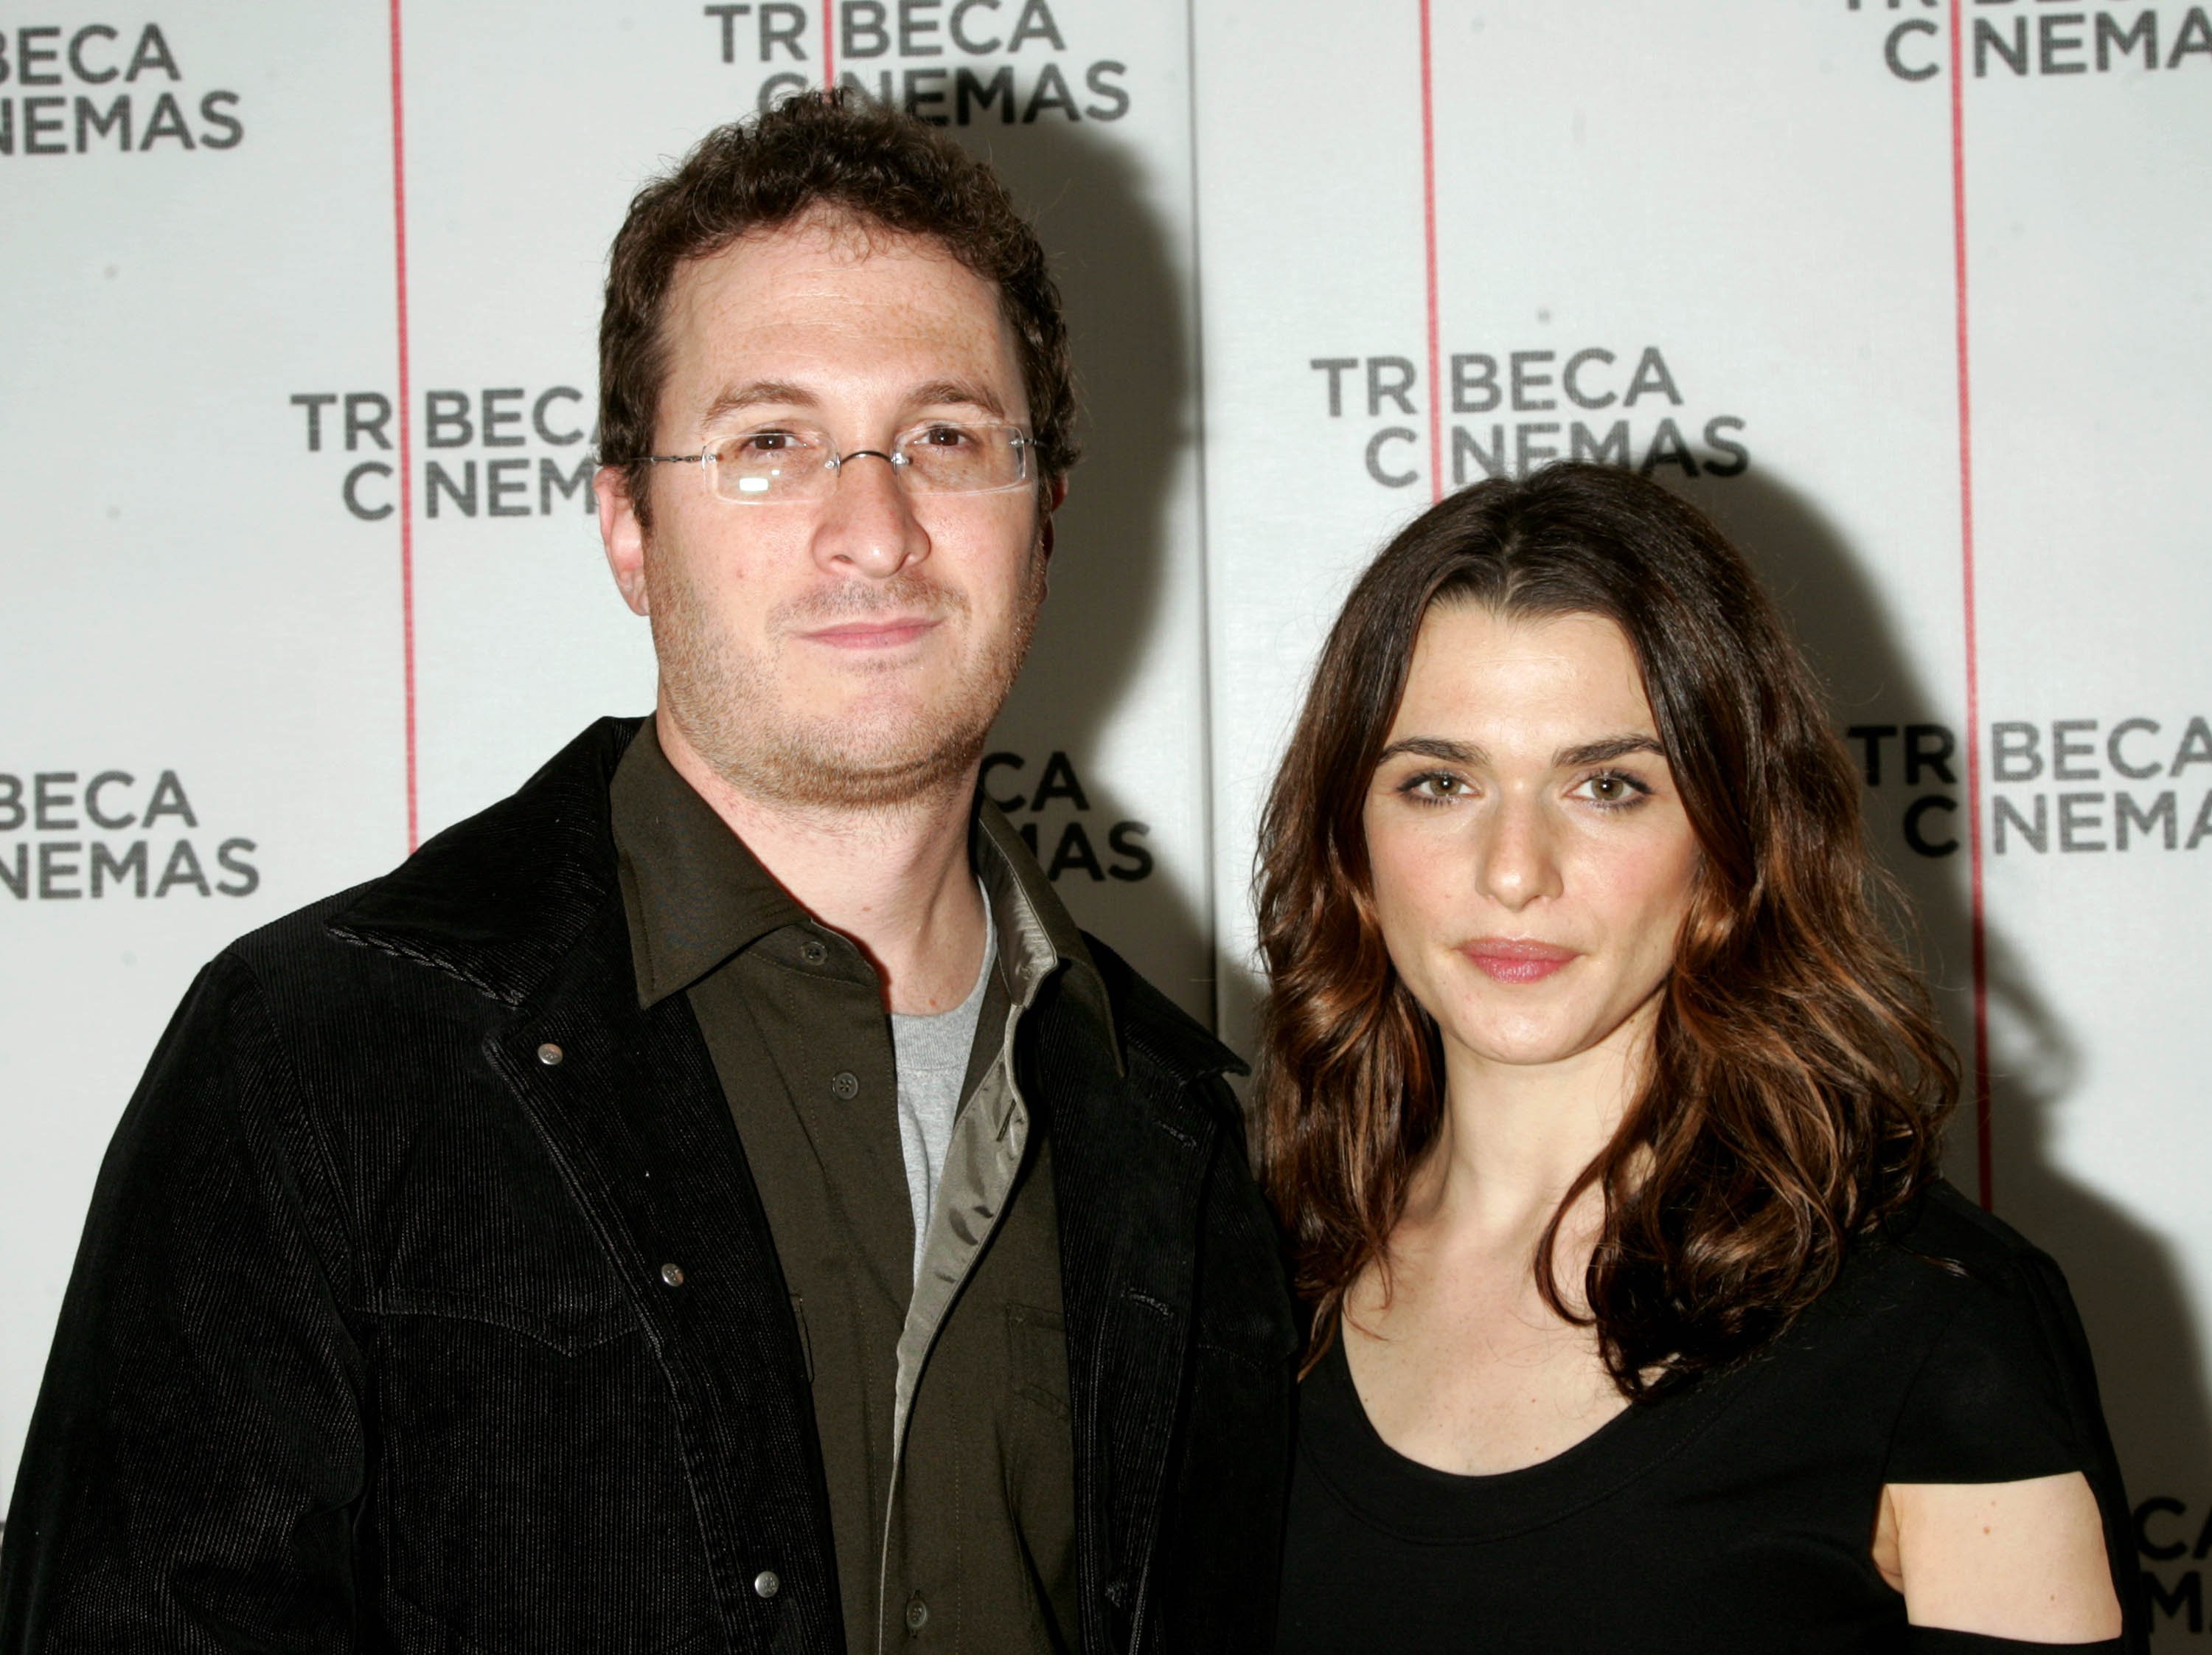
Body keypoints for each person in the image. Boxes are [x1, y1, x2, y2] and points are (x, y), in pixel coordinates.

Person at [0, 93, 1293, 1655]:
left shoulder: (1187, 1138)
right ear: (628, 524)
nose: (872, 529)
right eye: (770, 444)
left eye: (947, 437)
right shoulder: (322, 1056)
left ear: (1046, 516)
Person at [1256, 463, 2140, 1654]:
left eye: (1610, 785)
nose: (1515, 869)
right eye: (1441, 782)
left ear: (1733, 840)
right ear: (1351, 839)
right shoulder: (1251, 1288)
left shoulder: (1929, 1328)